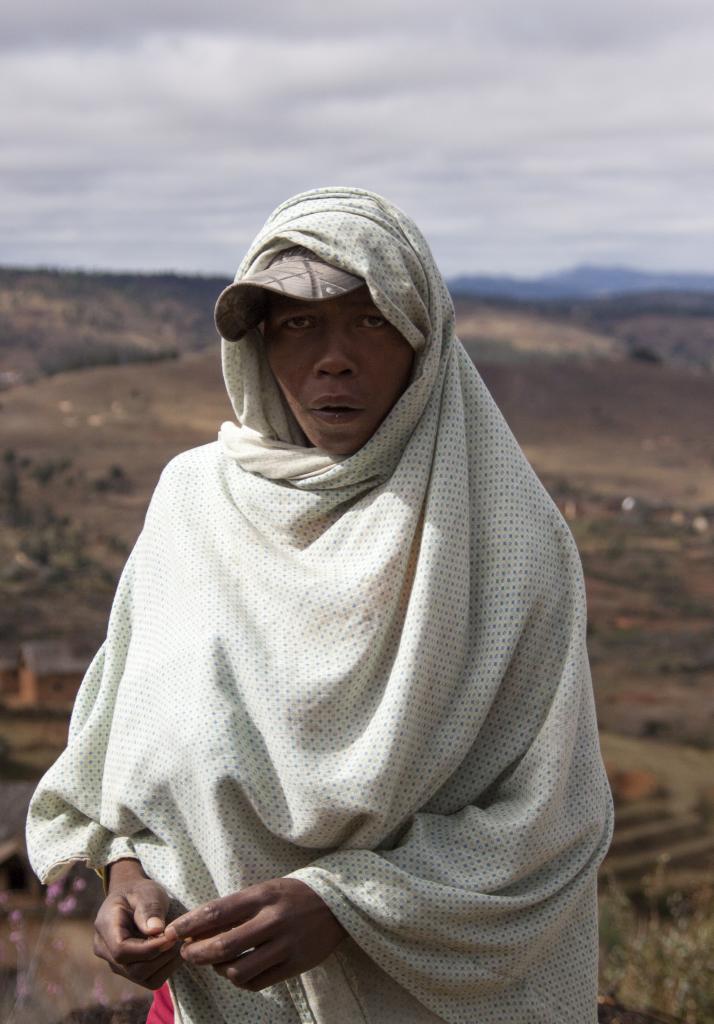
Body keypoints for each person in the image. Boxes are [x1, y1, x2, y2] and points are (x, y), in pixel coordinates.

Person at [26, 186, 614, 1024]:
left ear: (425, 341)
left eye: (370, 320)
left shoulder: (505, 540)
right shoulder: (194, 505)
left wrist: (348, 905)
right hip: (206, 1003)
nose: (332, 359)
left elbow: (551, 820)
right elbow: (130, 751)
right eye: (297, 324)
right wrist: (126, 877)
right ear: (259, 346)